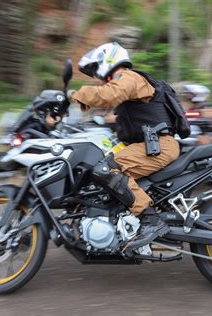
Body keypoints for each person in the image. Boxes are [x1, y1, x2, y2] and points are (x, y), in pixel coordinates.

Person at [71, 42, 180, 249]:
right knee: (101, 162)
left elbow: (108, 95)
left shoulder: (129, 77)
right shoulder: (127, 83)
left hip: (158, 146)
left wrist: (75, 95)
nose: (96, 76)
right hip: (149, 145)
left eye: (96, 69)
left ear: (108, 60)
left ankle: (150, 219)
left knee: (106, 168)